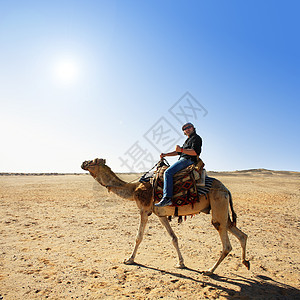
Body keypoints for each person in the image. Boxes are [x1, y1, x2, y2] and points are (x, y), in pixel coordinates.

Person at [155, 122, 202, 207]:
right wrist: (166, 154)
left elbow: (195, 152)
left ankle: (167, 198)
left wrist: (181, 150)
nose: (187, 129)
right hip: (183, 159)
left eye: (189, 127)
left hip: (188, 160)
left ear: (193, 128)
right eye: (184, 128)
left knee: (168, 173)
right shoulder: (187, 140)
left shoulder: (196, 138)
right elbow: (178, 152)